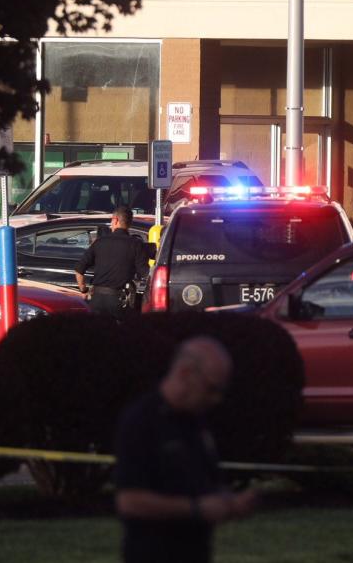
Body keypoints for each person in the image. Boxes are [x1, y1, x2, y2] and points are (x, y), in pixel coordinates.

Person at [114, 337, 255, 563]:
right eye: (211, 388)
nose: (216, 399)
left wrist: (228, 503)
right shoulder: (142, 421)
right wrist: (195, 509)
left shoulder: (196, 423)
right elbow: (129, 501)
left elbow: (203, 483)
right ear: (185, 372)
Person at [75, 206, 150, 318]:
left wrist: (83, 290)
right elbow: (146, 273)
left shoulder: (99, 242)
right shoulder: (136, 244)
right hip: (119, 300)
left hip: (97, 300)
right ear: (129, 223)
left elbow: (79, 270)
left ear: (115, 220)